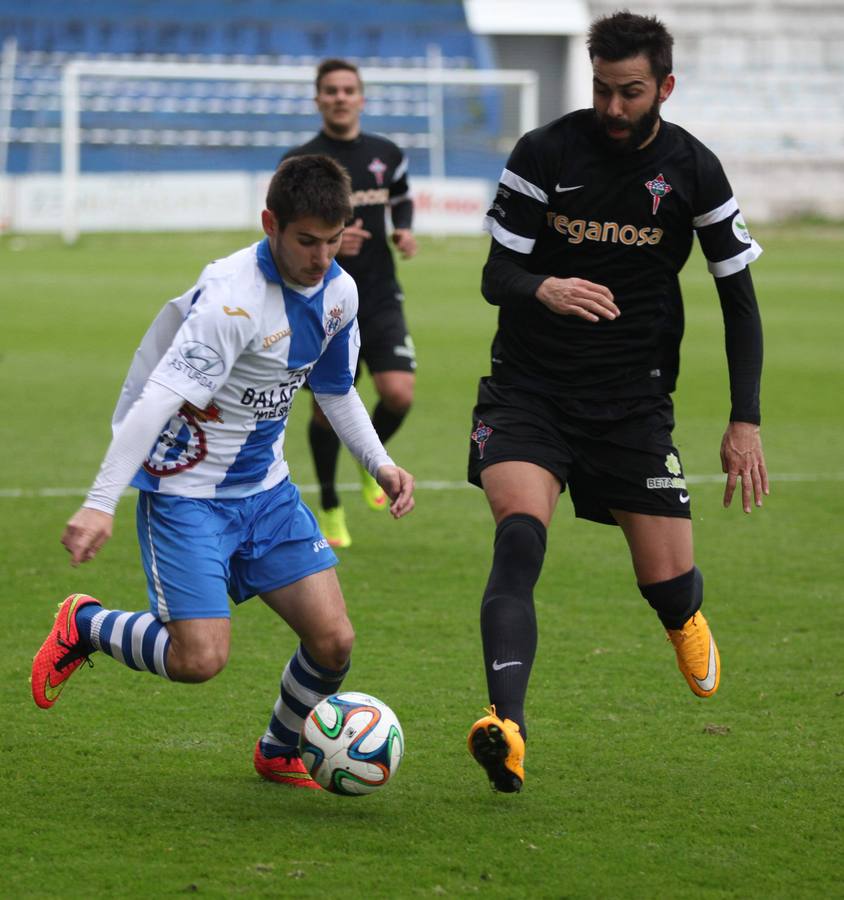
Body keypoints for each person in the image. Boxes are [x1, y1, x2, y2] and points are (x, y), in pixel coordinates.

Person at [31, 154, 415, 789]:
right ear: (271, 224)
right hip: (188, 496)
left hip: (266, 492)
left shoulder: (339, 293)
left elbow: (337, 390)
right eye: (305, 241)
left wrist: (380, 462)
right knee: (199, 660)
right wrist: (100, 502)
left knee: (334, 643)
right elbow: (157, 398)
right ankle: (86, 623)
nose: (320, 258)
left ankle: (279, 747)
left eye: (332, 241)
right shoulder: (233, 301)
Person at [465, 10, 769, 793]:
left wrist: (745, 420)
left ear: (663, 86)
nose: (612, 107)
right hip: (529, 388)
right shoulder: (545, 152)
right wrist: (545, 286)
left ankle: (682, 619)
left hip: (633, 404)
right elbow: (497, 277)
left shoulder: (694, 170)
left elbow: (738, 298)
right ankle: (509, 726)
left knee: (667, 583)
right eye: (602, 89)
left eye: (630, 92)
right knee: (518, 541)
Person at [283, 57, 418, 549]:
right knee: (325, 409)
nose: (340, 97)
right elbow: (287, 232)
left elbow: (401, 196)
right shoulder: (301, 162)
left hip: (379, 294)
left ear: (361, 97)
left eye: (348, 90)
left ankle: (371, 459)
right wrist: (334, 244)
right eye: (331, 90)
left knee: (399, 393)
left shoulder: (386, 153)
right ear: (319, 98)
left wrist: (403, 228)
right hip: (324, 301)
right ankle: (331, 506)